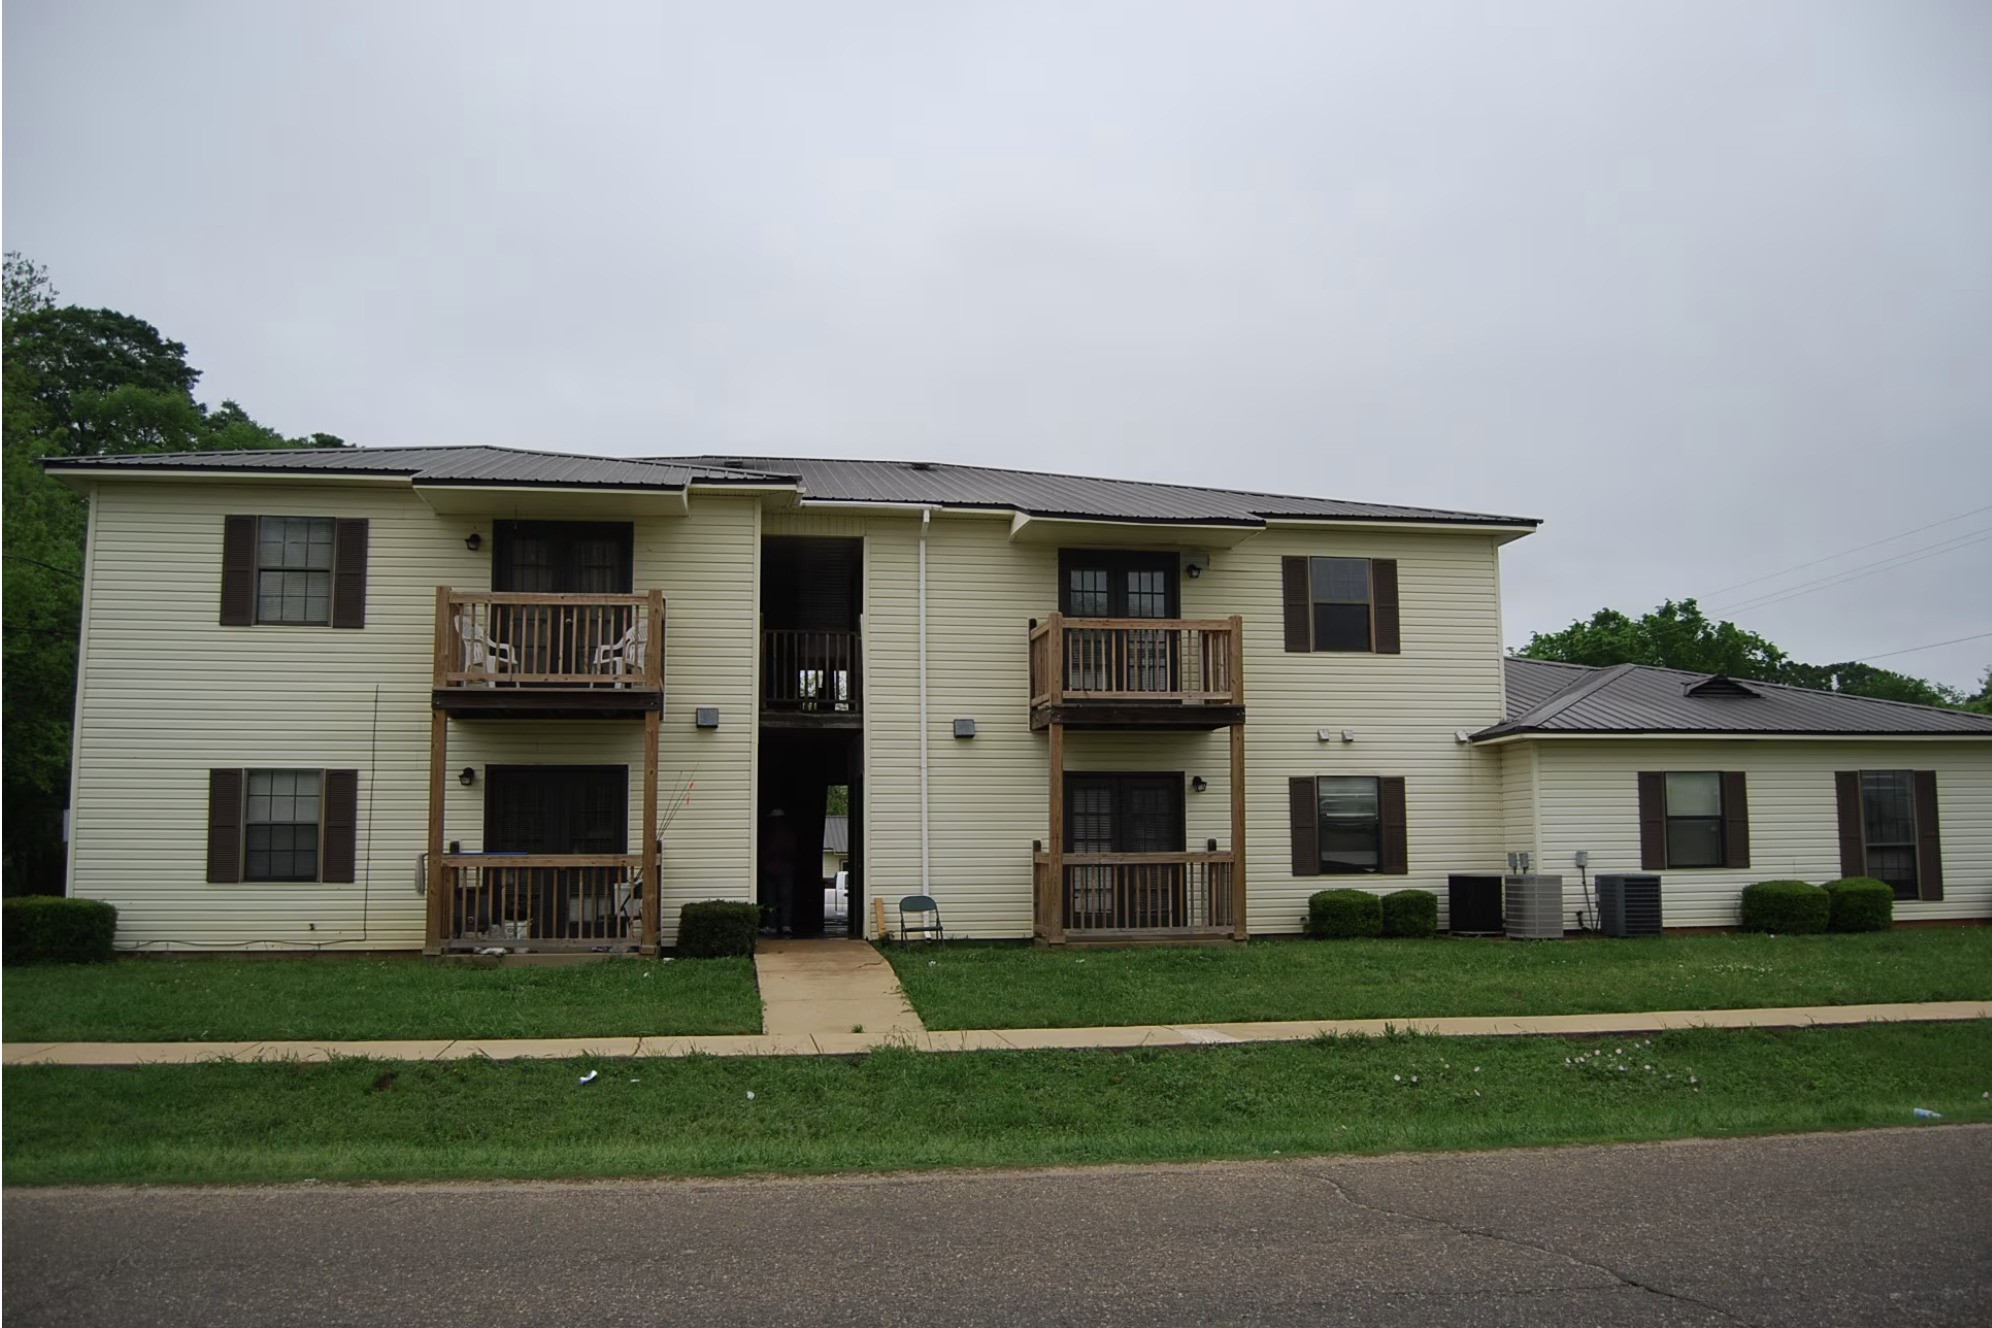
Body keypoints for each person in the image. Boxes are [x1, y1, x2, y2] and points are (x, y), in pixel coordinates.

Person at [761, 808, 798, 937]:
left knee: (771, 898)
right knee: (785, 898)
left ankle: (772, 925)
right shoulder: (788, 833)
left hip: (772, 868)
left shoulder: (769, 833)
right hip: (785, 869)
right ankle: (785, 925)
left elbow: (765, 850)